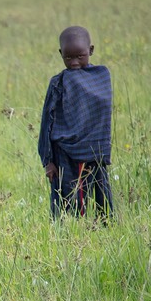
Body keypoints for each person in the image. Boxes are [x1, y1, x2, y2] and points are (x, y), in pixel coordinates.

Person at [38, 26, 114, 221]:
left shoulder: (101, 77)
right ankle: (68, 236)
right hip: (64, 151)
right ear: (60, 54)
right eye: (68, 57)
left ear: (91, 50)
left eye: (80, 56)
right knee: (65, 198)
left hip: (95, 150)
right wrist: (48, 160)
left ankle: (104, 232)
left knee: (101, 197)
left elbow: (103, 114)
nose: (74, 63)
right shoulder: (58, 82)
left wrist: (103, 149)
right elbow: (47, 121)